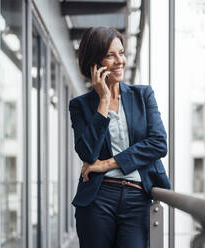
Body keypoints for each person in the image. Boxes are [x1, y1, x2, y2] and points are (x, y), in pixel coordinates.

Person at [69, 26, 171, 248]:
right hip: (98, 198)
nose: (119, 61)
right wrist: (103, 101)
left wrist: (107, 164)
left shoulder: (143, 95)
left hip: (137, 196)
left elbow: (158, 143)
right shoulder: (80, 106)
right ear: (94, 63)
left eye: (121, 53)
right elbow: (87, 153)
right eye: (110, 55)